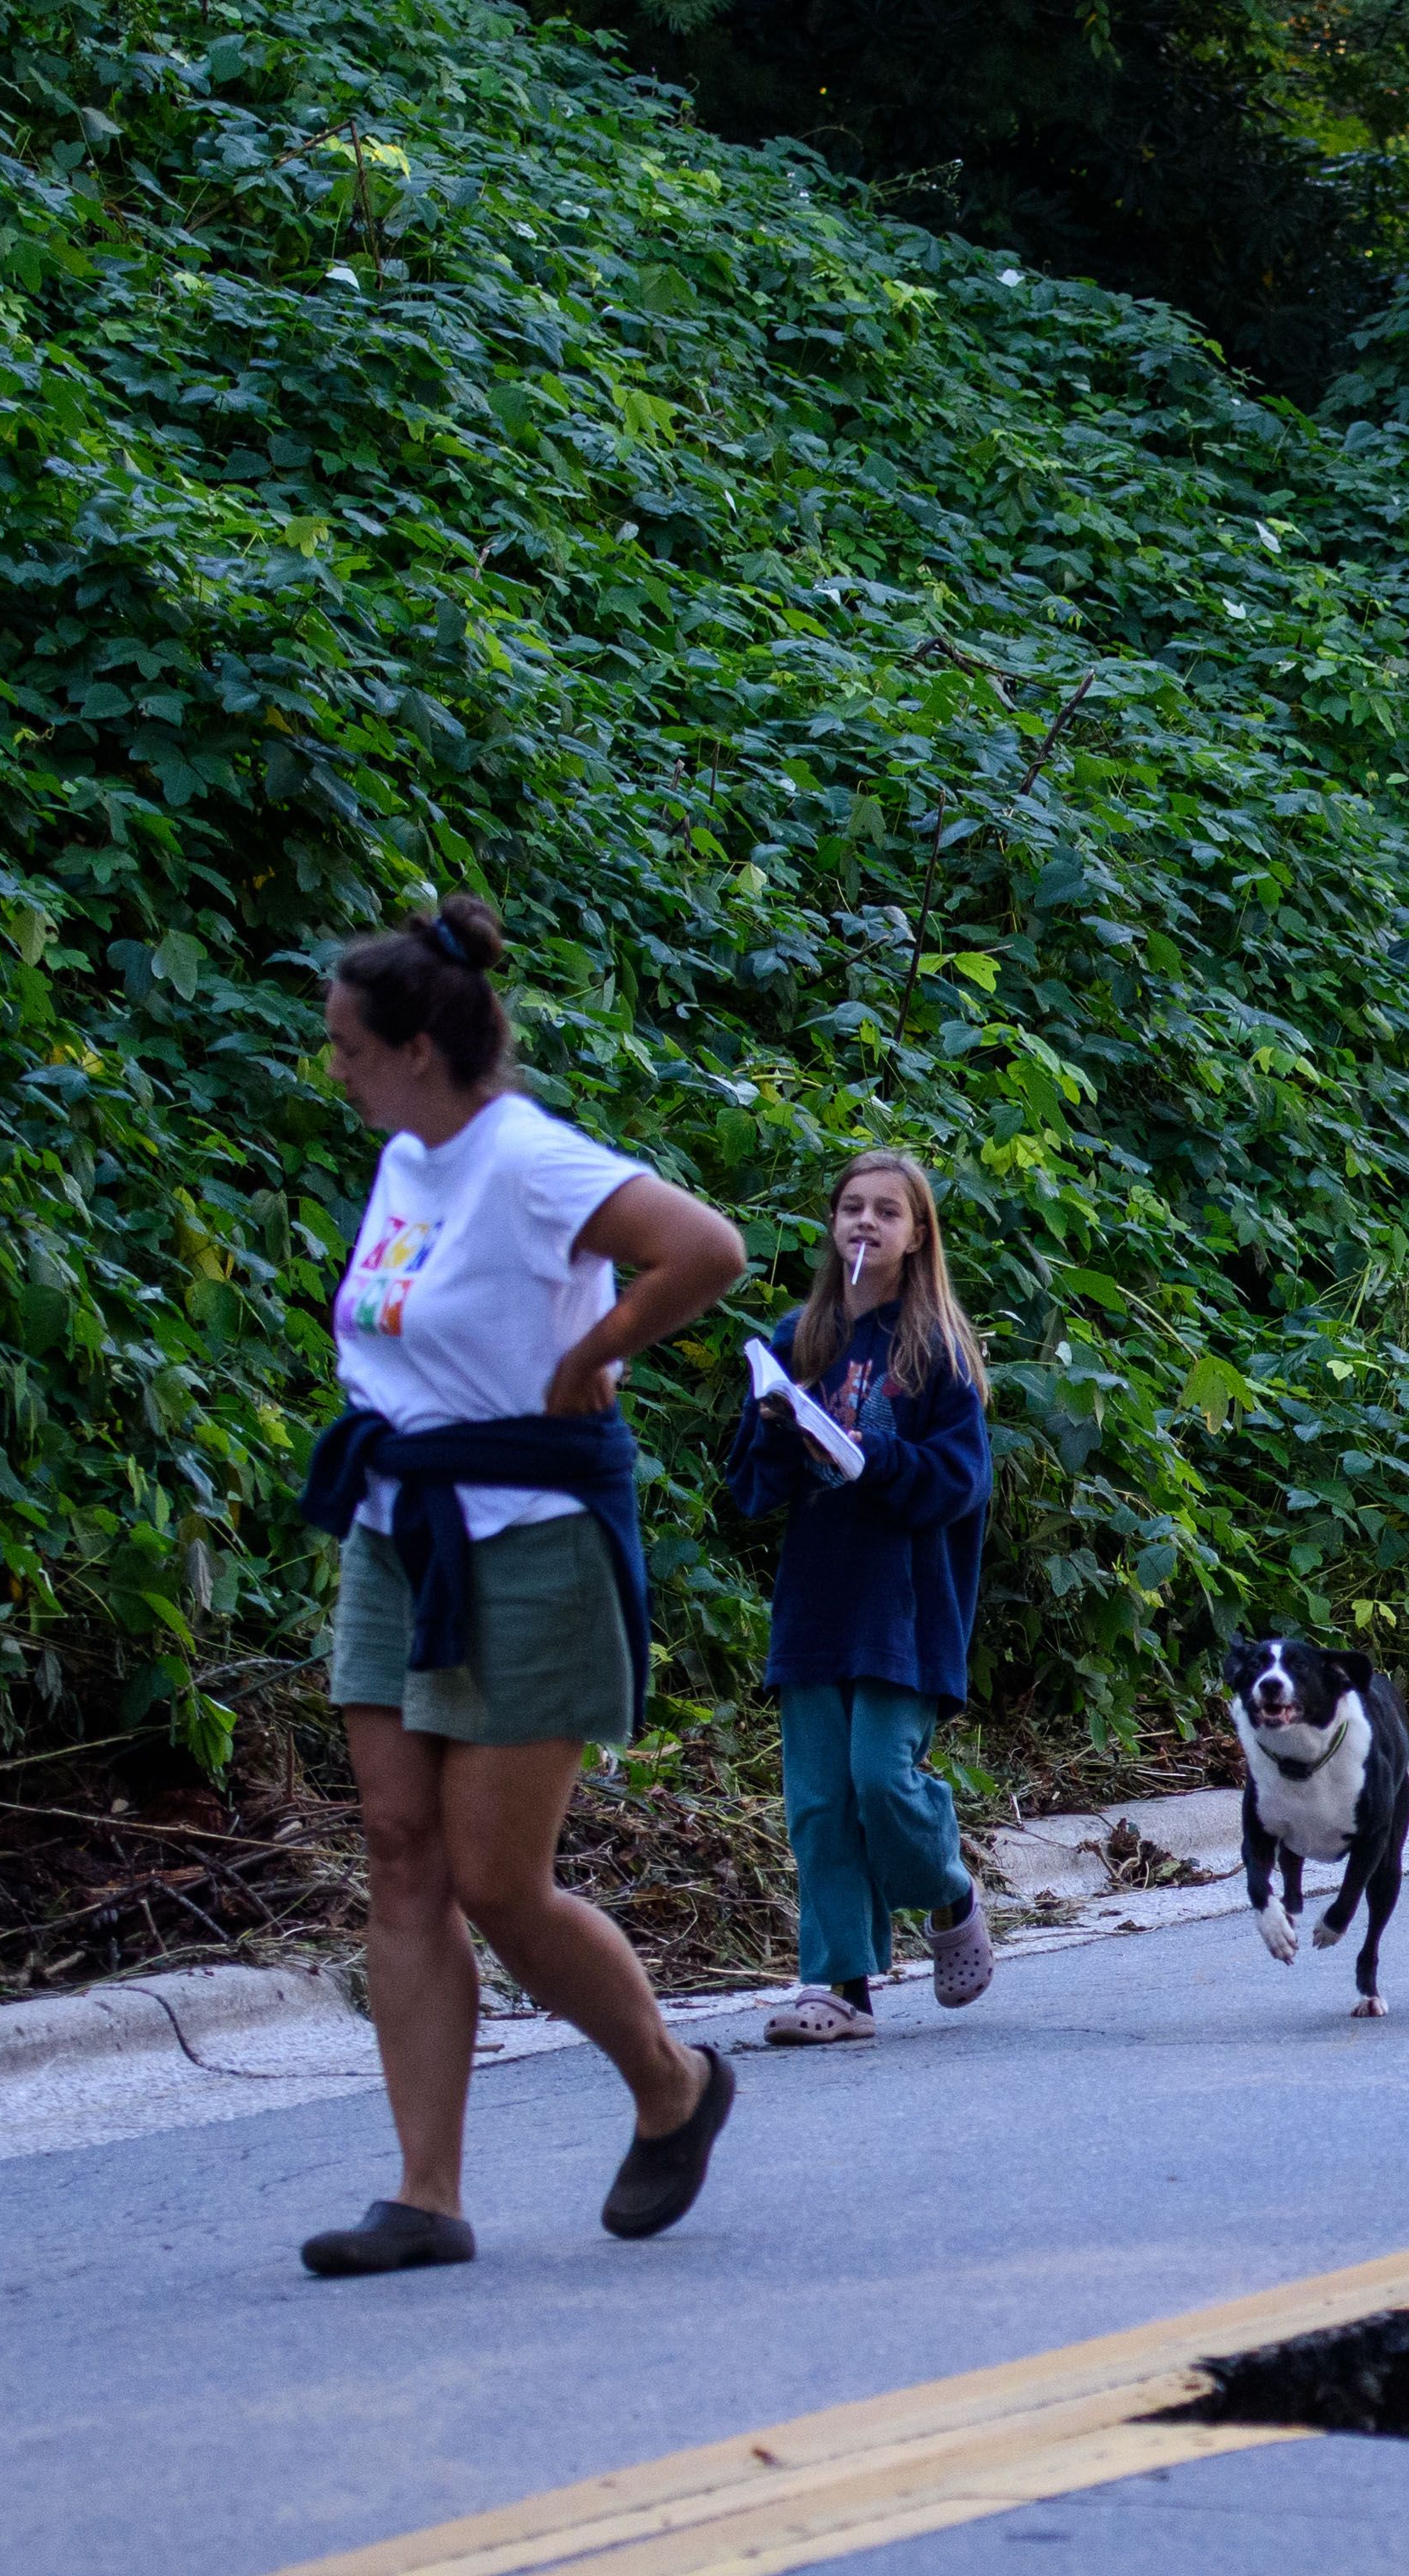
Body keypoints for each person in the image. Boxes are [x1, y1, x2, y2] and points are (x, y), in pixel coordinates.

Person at [290, 898, 752, 2279]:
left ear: (421, 1050)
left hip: (526, 1536)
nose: (336, 1069)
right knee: (397, 1849)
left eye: (349, 1047)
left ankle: (672, 2082)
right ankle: (425, 2195)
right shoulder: (407, 1157)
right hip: (399, 1526)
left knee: (498, 1879)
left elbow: (706, 1249)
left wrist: (589, 1351)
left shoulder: (525, 1160)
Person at [724, 1150, 1001, 2046]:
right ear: (831, 1225)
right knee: (817, 1799)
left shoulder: (938, 1353)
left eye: (887, 1211)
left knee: (880, 1779)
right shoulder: (795, 1336)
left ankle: (948, 1889)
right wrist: (777, 1428)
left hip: (903, 1609)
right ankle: (837, 1986)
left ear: (918, 1236)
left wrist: (868, 1453)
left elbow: (958, 1481)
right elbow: (751, 1491)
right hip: (816, 1604)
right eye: (851, 1208)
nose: (865, 1224)